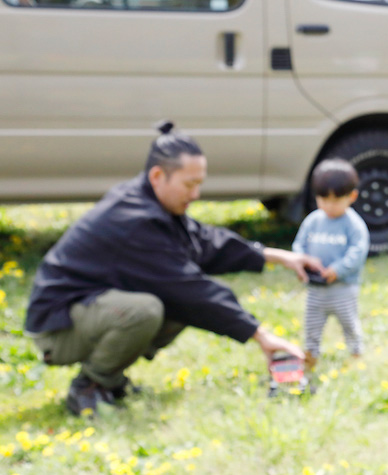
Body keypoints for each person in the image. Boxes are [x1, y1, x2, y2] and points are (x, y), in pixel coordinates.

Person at [25, 121, 323, 416]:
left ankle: (111, 379)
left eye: (199, 184)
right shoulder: (135, 220)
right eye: (189, 184)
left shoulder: (153, 204)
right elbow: (190, 288)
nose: (195, 194)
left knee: (174, 306)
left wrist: (277, 256)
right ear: (157, 176)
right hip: (58, 327)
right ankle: (90, 387)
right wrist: (261, 336)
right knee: (147, 310)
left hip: (88, 308)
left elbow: (204, 241)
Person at [292, 158, 369, 374]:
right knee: (312, 323)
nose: (328, 206)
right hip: (316, 288)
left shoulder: (353, 225)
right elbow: (299, 244)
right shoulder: (313, 221)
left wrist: (338, 269)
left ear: (351, 196)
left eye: (336, 200)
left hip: (342, 288)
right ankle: (311, 353)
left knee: (349, 322)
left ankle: (355, 351)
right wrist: (303, 261)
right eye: (323, 199)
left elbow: (357, 252)